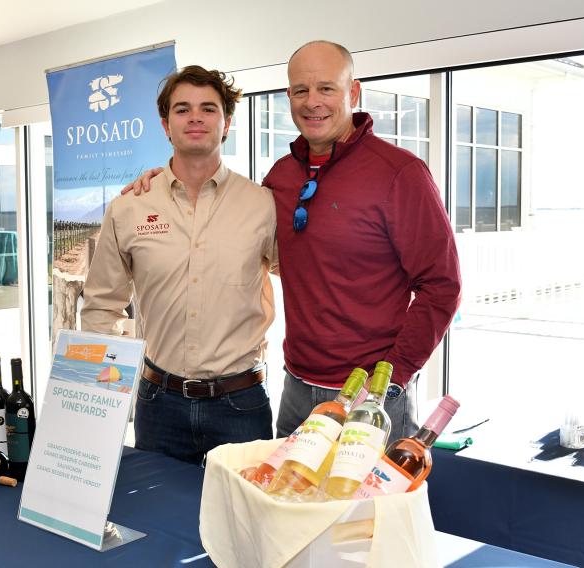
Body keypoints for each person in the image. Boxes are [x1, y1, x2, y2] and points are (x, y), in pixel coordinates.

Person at [124, 41, 461, 442]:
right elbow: (230, 227)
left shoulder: (401, 173)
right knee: (287, 501)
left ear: (353, 93)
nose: (312, 102)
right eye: (301, 90)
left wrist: (392, 378)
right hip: (296, 393)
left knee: (367, 507)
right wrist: (165, 182)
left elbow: (442, 286)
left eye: (327, 88)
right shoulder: (281, 178)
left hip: (371, 397)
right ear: (289, 97)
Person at [81, 65, 277, 464]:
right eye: (183, 109)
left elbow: (305, 276)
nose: (195, 118)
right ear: (165, 124)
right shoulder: (129, 206)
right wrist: (101, 399)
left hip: (241, 405)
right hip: (159, 403)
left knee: (244, 525)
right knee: (156, 517)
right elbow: (101, 306)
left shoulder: (262, 204)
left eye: (208, 108)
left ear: (226, 123)